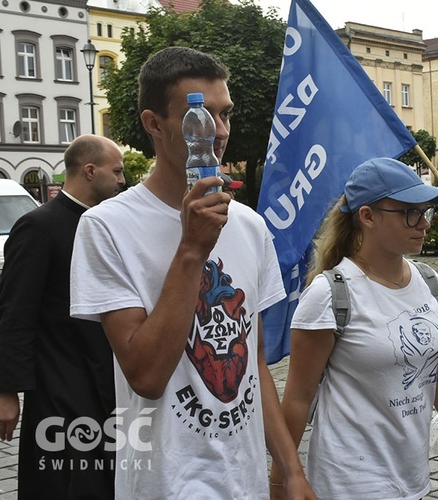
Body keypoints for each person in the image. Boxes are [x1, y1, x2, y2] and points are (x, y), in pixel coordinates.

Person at [69, 47, 314, 499]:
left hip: (244, 482)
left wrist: (290, 469)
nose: (218, 132)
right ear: (154, 124)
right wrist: (191, 249)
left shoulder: (250, 226)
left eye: (225, 114)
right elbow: (145, 374)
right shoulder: (106, 227)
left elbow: (254, 365)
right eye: (199, 118)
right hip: (163, 483)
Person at [269, 158, 438, 500]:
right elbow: (297, 397)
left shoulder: (427, 282)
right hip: (351, 481)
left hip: (412, 476)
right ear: (368, 217)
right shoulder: (330, 294)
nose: (424, 224)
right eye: (410, 212)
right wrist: (280, 482)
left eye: (425, 211)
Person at [0, 134, 124, 498]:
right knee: (64, 482)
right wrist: (5, 390)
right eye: (115, 171)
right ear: (89, 170)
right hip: (60, 380)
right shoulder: (38, 226)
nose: (122, 180)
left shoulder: (108, 223)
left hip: (106, 376)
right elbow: (13, 311)